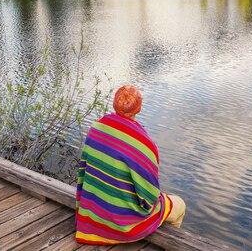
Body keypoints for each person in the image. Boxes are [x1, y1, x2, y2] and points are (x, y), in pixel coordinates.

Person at [75, 85, 186, 244]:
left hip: (92, 216)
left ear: (114, 104)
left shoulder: (96, 129)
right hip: (123, 227)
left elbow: (84, 174)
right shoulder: (144, 144)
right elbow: (149, 198)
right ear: (138, 109)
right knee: (179, 205)